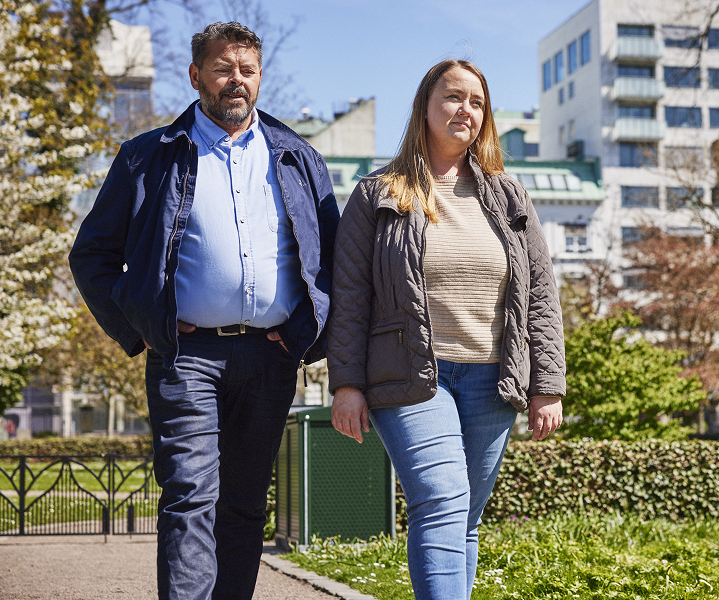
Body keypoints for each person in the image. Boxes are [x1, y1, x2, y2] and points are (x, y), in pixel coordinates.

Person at [69, 22, 338, 600]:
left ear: (259, 77)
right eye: (223, 69)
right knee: (191, 495)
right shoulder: (148, 157)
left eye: (247, 70)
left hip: (271, 356)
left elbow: (331, 258)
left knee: (243, 506)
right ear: (196, 76)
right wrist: (142, 326)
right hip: (185, 356)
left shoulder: (299, 157)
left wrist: (304, 337)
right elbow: (91, 254)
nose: (236, 80)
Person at [328, 59, 566, 600]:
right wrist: (345, 384)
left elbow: (540, 297)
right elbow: (349, 298)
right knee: (440, 499)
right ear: (425, 106)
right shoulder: (377, 195)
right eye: (453, 97)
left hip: (493, 379)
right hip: (410, 376)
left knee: (464, 518)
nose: (466, 109)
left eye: (477, 102)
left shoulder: (510, 197)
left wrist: (547, 384)